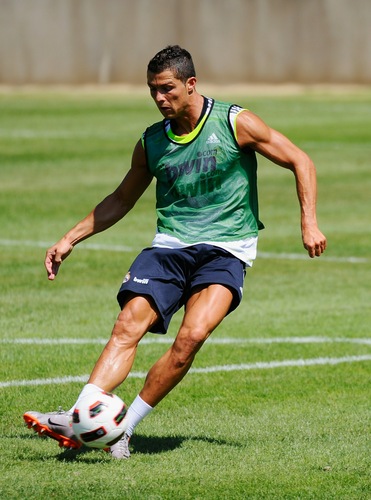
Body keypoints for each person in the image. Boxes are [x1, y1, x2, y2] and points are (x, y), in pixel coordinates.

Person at [23, 45, 327, 459]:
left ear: (190, 84)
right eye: (153, 91)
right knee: (128, 324)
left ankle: (123, 430)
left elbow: (300, 160)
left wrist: (308, 221)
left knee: (192, 337)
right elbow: (121, 199)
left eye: (167, 89)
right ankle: (79, 416)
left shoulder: (235, 122)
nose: (160, 98)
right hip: (169, 248)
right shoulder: (151, 142)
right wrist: (69, 238)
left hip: (226, 250)